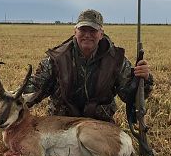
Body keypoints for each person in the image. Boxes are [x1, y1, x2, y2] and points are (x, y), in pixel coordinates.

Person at [24, 9, 153, 123]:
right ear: (75, 31)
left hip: (99, 124)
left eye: (92, 30)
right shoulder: (57, 58)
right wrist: (11, 96)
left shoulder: (115, 60)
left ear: (101, 34)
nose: (87, 35)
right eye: (83, 30)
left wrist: (144, 79)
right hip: (62, 125)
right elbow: (35, 89)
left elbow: (129, 95)